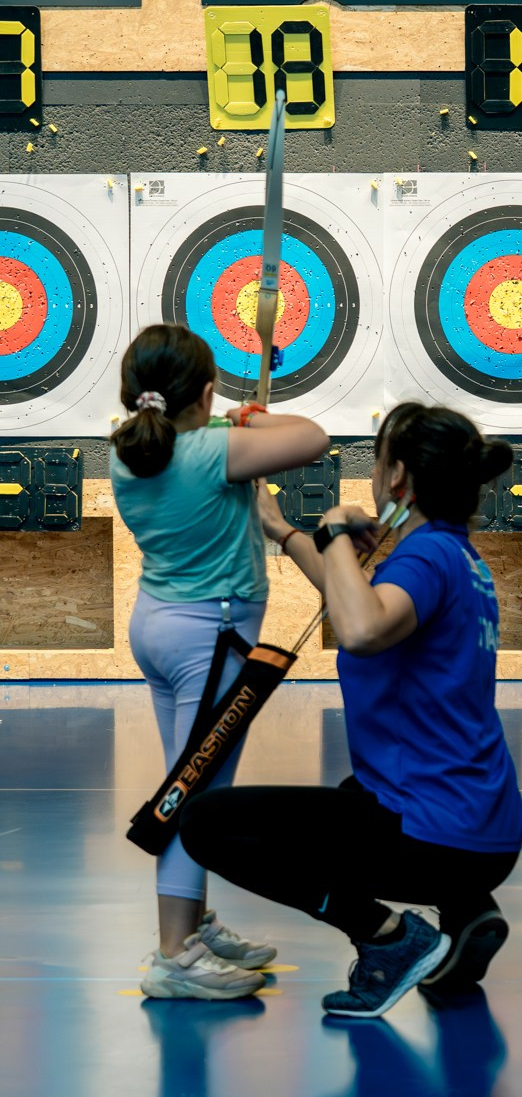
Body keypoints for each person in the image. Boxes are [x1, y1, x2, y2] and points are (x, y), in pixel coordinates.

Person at [178, 402, 522, 1018]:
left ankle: (387, 938)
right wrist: (286, 531)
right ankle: (469, 908)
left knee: (207, 824)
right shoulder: (458, 558)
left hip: (435, 835)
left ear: (397, 478)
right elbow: (355, 600)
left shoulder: (424, 560)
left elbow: (360, 628)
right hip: (483, 828)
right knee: (352, 790)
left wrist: (336, 529)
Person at [110, 324, 330, 1001]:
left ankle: (193, 923)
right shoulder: (210, 450)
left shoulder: (128, 452)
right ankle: (175, 955)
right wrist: (250, 415)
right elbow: (313, 436)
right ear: (204, 393)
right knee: (191, 793)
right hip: (212, 637)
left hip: (161, 627)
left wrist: (227, 421)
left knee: (188, 775)